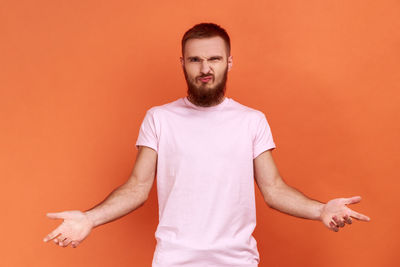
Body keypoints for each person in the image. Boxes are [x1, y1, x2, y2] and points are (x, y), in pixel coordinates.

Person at [43, 23, 370, 266]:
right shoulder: (160, 118)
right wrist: (89, 218)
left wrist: (320, 210)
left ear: (229, 62)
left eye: (214, 59)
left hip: (236, 260)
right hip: (174, 259)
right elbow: (137, 187)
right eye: (194, 60)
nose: (204, 69)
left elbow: (274, 189)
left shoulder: (251, 121)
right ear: (182, 63)